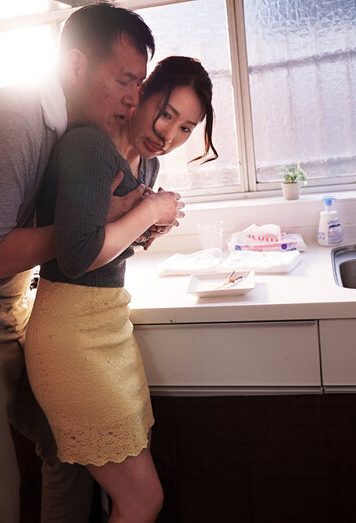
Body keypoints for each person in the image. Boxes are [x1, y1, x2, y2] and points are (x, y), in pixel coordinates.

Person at [0, 3, 178, 523]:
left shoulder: (66, 130)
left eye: (140, 84)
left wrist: (118, 222)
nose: (134, 98)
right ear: (75, 65)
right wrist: (85, 228)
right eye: (123, 80)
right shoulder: (13, 123)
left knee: (71, 452)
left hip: (11, 315)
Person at [24, 56, 217, 523]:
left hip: (111, 324)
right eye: (166, 113)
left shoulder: (146, 166)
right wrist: (148, 214)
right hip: (70, 336)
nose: (168, 135)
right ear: (142, 91)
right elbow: (79, 256)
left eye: (186, 128)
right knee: (142, 500)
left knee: (127, 492)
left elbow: (109, 239)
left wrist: (145, 228)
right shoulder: (89, 146)